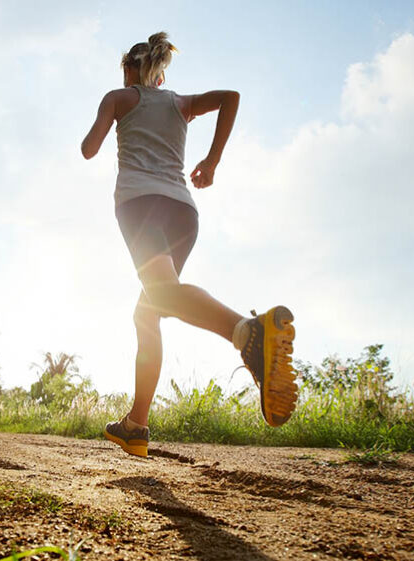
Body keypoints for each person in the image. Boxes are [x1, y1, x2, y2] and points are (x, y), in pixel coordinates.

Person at [81, 32, 297, 458]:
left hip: (140, 204)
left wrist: (111, 115)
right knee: (149, 311)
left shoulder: (119, 97)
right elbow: (230, 97)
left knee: (160, 296)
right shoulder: (180, 103)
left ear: (129, 71)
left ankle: (248, 332)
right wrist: (211, 161)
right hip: (183, 210)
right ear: (160, 75)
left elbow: (89, 149)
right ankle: (136, 425)